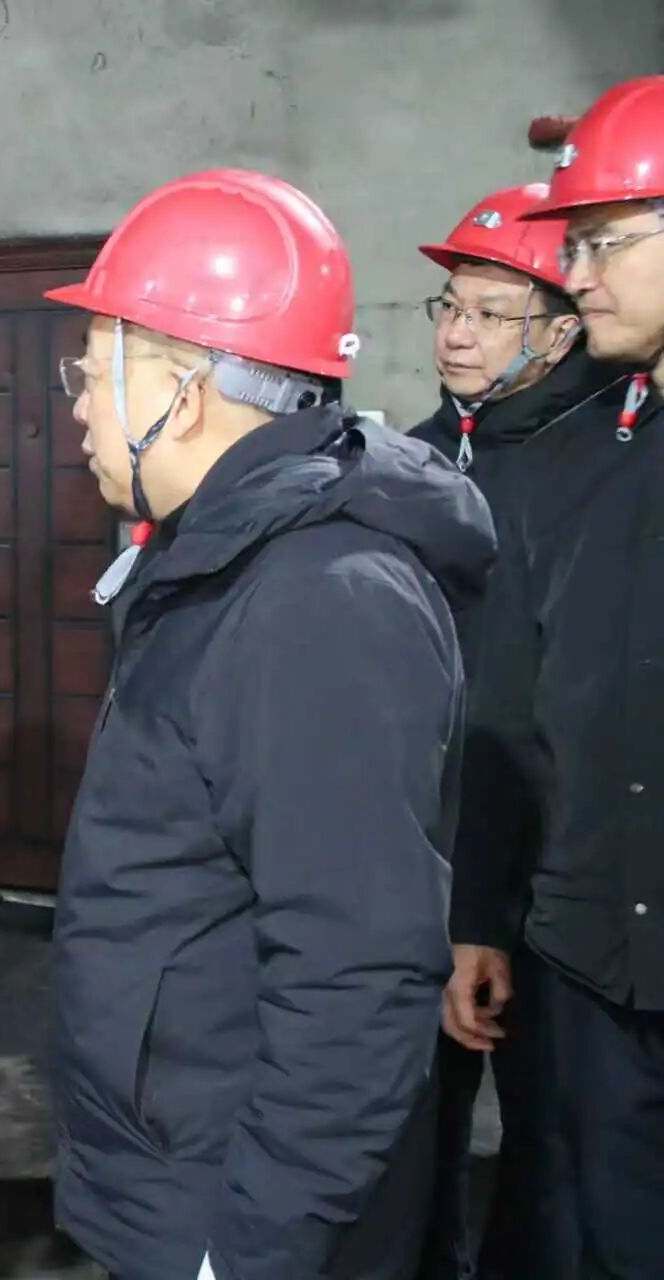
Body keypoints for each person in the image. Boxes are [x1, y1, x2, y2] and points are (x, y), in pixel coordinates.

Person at [46, 170, 495, 1280]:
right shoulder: (222, 558)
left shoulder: (319, 602)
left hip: (237, 1205)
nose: (80, 407)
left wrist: (252, 1243)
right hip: (177, 1158)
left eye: (93, 371)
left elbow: (356, 970)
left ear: (185, 392)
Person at [462, 74, 664, 1277]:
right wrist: (478, 921)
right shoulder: (561, 464)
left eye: (603, 242)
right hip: (589, 963)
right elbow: (509, 715)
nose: (576, 274)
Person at [407, 182, 619, 1280]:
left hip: (559, 884)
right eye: (449, 305)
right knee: (409, 1145)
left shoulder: (609, 461)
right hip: (418, 863)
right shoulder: (410, 463)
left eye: (491, 313)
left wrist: (492, 908)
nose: (456, 332)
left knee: (558, 1160)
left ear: (563, 330)